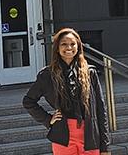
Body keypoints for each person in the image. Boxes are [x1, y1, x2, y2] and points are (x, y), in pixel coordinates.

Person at [22, 27, 111, 155]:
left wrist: (105, 147)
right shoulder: (47, 75)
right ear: (57, 48)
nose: (69, 48)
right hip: (63, 135)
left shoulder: (90, 72)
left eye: (72, 44)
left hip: (90, 134)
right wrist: (48, 119)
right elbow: (28, 101)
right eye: (64, 44)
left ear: (78, 47)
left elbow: (101, 110)